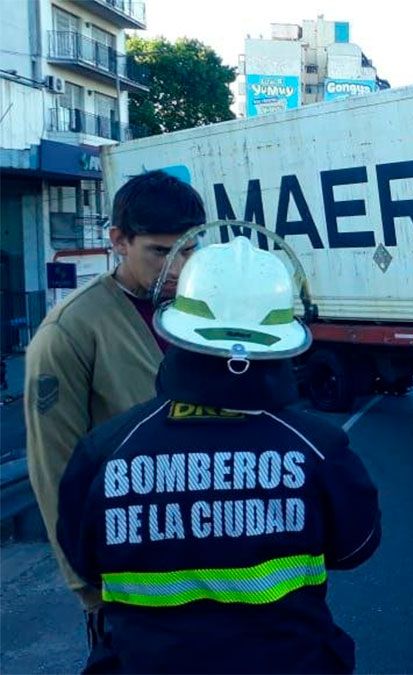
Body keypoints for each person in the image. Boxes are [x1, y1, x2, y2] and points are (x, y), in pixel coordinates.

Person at [56, 234, 382, 673]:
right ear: (281, 339)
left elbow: (85, 563)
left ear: (178, 329)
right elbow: (355, 548)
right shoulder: (319, 449)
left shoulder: (107, 451)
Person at [25, 170, 204, 650]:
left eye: (189, 250)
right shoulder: (71, 331)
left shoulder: (201, 313)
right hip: (128, 581)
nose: (178, 267)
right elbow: (55, 469)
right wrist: (89, 590)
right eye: (161, 252)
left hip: (209, 565)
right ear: (119, 241)